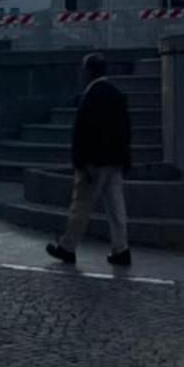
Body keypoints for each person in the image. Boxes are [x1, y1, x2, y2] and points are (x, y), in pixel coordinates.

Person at [47, 53, 132, 268]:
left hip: (93, 162)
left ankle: (68, 247)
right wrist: (124, 158)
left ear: (89, 71)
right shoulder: (116, 94)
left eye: (83, 69)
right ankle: (121, 249)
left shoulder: (90, 96)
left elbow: (82, 133)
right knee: (116, 207)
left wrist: (80, 161)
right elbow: (125, 130)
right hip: (114, 161)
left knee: (81, 206)